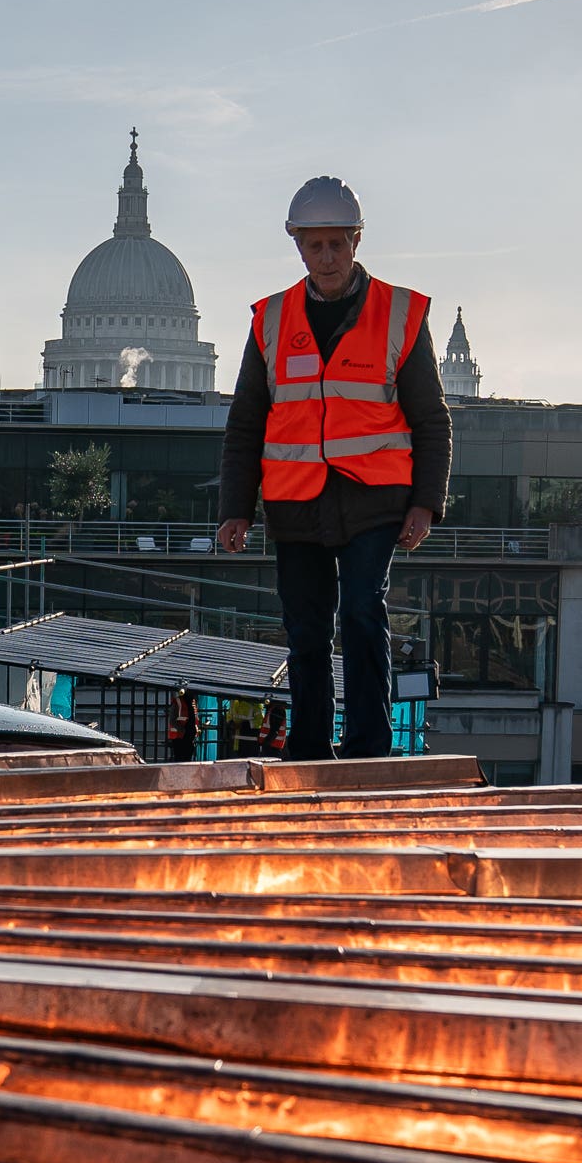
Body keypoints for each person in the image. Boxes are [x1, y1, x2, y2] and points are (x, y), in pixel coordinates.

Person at [216, 176, 451, 759]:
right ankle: (310, 748)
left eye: (337, 244)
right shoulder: (271, 320)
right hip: (296, 502)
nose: (327, 257)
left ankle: (370, 745)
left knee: (364, 610)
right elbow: (246, 422)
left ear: (357, 241)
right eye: (314, 244)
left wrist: (425, 503)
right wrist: (235, 511)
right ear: (297, 244)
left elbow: (432, 419)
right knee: (306, 629)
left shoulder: (399, 314)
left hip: (374, 497)